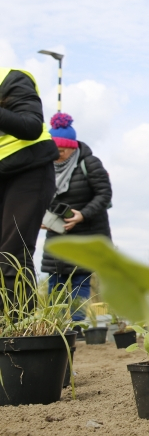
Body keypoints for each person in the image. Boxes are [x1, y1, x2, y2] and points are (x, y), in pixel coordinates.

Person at [40, 113, 112, 317]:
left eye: (61, 150)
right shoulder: (45, 168)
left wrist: (83, 215)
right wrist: (41, 217)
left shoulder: (89, 163)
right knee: (56, 282)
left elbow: (104, 195)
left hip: (86, 234)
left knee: (80, 281)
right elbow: (38, 196)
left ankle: (77, 326)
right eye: (53, 150)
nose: (57, 154)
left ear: (72, 147)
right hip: (58, 234)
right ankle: (55, 324)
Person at [0, 68, 58, 295]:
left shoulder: (10, 79)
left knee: (11, 255)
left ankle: (19, 327)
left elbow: (31, 126)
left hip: (29, 171)